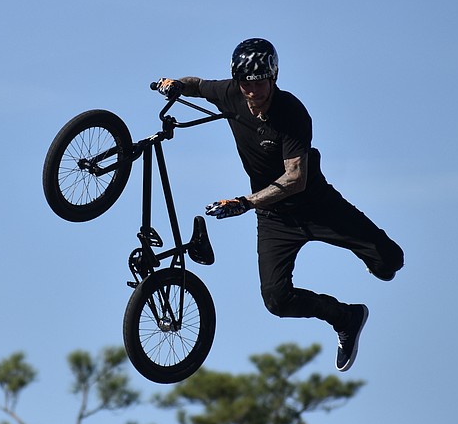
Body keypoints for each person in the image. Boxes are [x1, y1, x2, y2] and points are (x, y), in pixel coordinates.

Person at [156, 38, 403, 372]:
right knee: (276, 301)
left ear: (273, 77)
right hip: (274, 219)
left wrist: (245, 202)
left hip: (316, 205)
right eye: (246, 83)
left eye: (260, 83)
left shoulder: (291, 112)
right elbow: (197, 85)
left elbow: (295, 178)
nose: (252, 90)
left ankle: (373, 258)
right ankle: (346, 317)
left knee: (391, 262)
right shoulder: (230, 92)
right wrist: (175, 84)